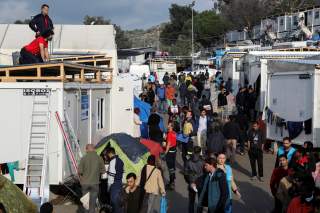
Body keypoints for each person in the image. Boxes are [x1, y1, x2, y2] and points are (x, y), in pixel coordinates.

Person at [78, 144, 106, 213]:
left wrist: (81, 179)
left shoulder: (83, 158)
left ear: (87, 149)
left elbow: (80, 172)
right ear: (94, 149)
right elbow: (103, 171)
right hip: (95, 183)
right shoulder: (99, 158)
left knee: (86, 204)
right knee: (92, 204)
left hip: (85, 183)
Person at [184, 146, 204, 213]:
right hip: (200, 182)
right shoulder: (202, 161)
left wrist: (189, 181)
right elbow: (205, 172)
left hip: (191, 182)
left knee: (191, 201)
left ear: (193, 151)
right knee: (200, 201)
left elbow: (185, 173)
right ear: (200, 152)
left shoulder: (188, 161)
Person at [106, 147, 124, 213]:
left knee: (114, 203)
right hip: (120, 184)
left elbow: (111, 177)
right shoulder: (121, 161)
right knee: (119, 203)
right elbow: (122, 173)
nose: (107, 156)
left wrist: (108, 187)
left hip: (114, 185)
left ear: (110, 153)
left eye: (107, 154)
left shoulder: (112, 162)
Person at [165, 122, 177, 190]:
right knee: (172, 167)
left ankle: (171, 183)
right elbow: (174, 142)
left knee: (170, 168)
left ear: (171, 126)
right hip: (174, 152)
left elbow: (169, 144)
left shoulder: (169, 134)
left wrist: (165, 153)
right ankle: (172, 180)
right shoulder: (174, 133)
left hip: (169, 153)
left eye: (169, 125)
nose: (167, 126)